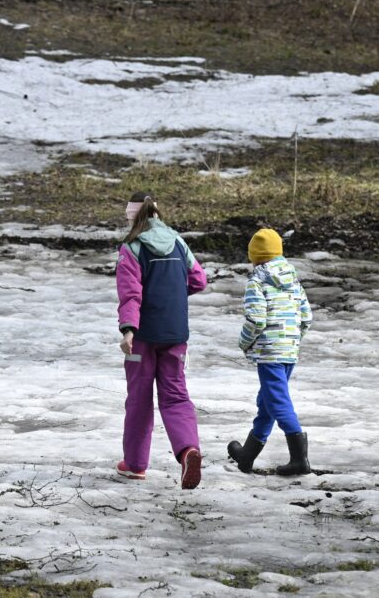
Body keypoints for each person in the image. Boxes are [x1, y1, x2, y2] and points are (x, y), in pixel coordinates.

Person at [115, 191, 207, 490]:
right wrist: (171, 296)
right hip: (176, 333)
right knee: (176, 395)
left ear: (133, 216)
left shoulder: (132, 247)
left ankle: (135, 465)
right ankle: (187, 451)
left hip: (143, 335)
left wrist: (128, 329)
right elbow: (199, 280)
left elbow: (131, 294)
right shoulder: (178, 241)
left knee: (140, 399)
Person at [228, 228, 314, 476]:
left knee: (278, 402)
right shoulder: (293, 281)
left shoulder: (257, 282)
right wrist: (292, 340)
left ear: (254, 256)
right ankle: (247, 455)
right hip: (289, 350)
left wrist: (244, 343)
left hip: (269, 353)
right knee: (267, 401)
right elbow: (306, 317)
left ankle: (299, 460)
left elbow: (256, 320)